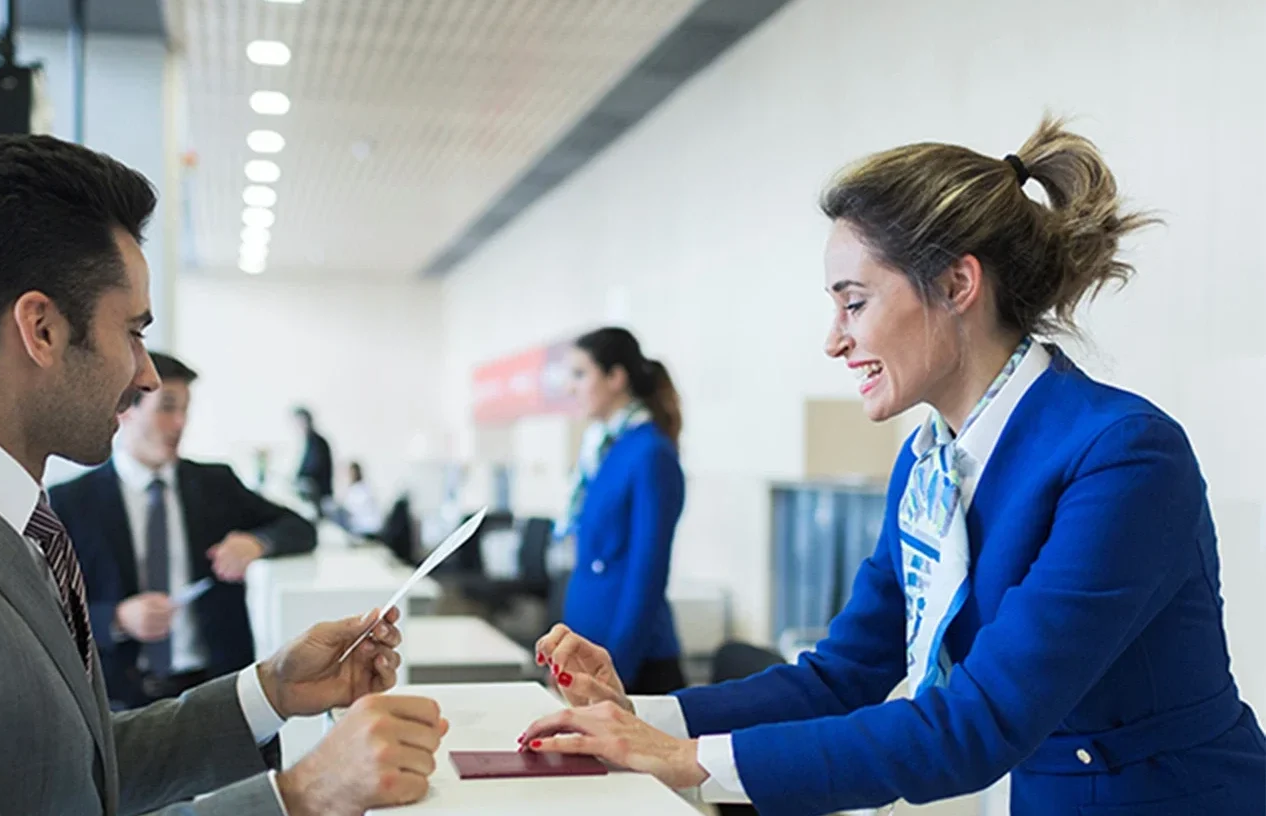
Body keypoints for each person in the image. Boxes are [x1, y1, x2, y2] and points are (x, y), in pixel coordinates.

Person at [518, 119, 1266, 815]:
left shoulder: (1124, 456)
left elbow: (977, 726)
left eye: (854, 303)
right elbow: (843, 676)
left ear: (955, 285)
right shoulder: (928, 467)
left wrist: (687, 759)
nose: (834, 341)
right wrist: (639, 715)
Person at [0, 135, 446, 816]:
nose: (145, 375)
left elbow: (69, 771)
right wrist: (299, 796)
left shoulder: (0, 519)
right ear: (43, 329)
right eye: (133, 332)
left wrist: (270, 690)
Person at [49, 351, 319, 710]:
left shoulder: (214, 483)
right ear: (125, 409)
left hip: (216, 690)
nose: (180, 423)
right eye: (167, 407)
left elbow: (300, 527)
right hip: (118, 700)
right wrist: (115, 619)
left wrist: (257, 543)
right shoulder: (71, 501)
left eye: (185, 410)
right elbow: (52, 607)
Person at [552, 327, 686, 695]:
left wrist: (618, 670)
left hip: (629, 660)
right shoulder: (603, 448)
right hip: (589, 647)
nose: (571, 388)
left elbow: (648, 572)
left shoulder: (650, 452)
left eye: (580, 374)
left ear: (615, 378)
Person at [292, 407, 334, 502]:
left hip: (319, 497)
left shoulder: (317, 443)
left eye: (301, 422)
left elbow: (313, 468)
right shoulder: (309, 443)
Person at [339, 461, 384, 537]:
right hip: (366, 526)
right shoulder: (360, 488)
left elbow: (351, 511)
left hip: (365, 527)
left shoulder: (360, 490)